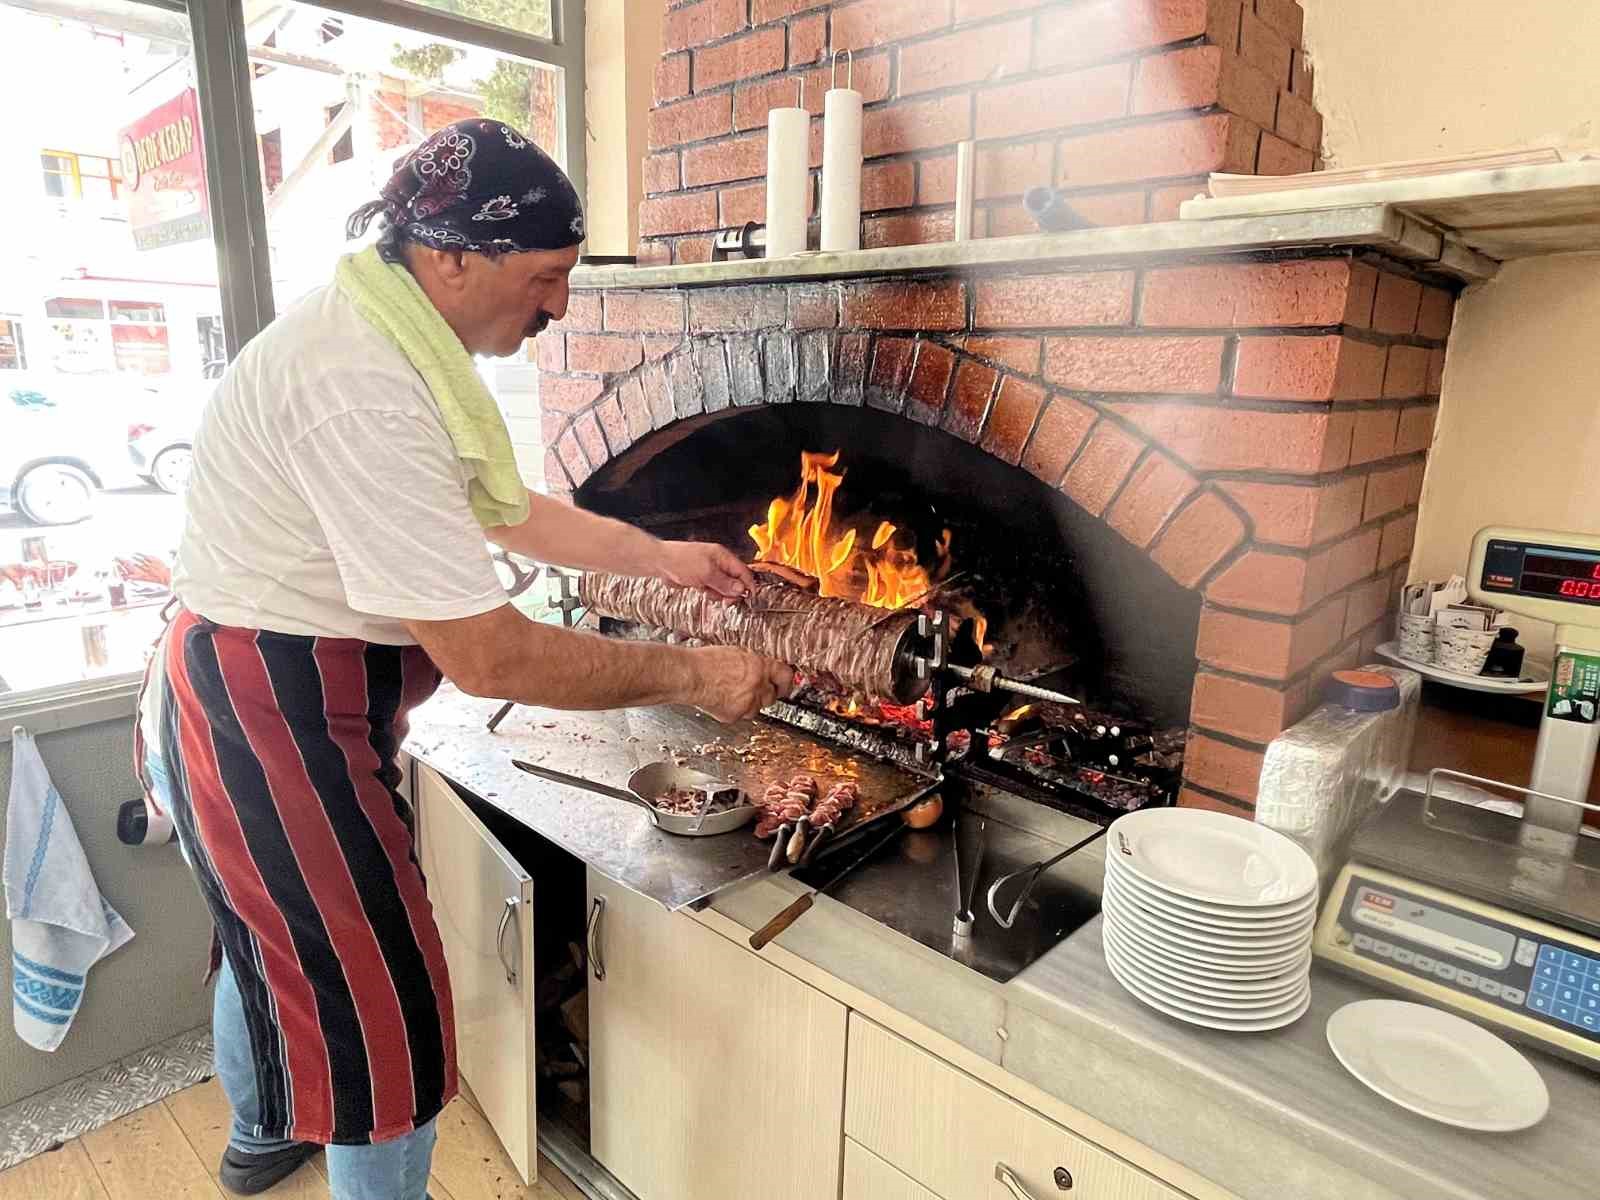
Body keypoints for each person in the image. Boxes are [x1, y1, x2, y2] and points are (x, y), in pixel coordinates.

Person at [136, 120, 792, 1200]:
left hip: (262, 683)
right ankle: (317, 1148)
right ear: (453, 258)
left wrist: (662, 559)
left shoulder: (401, 340)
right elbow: (490, 656)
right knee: (378, 1007)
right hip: (266, 710)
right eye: (544, 278)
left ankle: (262, 1135)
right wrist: (697, 675)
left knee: (268, 933)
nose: (559, 308)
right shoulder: (363, 385)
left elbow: (507, 507)